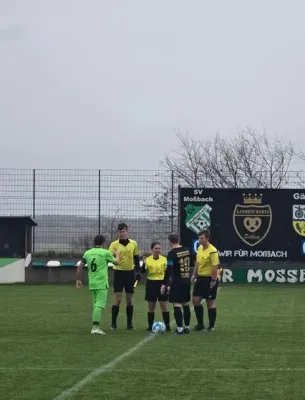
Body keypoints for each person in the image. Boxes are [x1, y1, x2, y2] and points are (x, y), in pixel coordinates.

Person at [76, 234, 119, 335]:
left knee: (96, 305)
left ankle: (95, 326)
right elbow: (116, 262)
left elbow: (80, 266)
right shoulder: (105, 253)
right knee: (99, 305)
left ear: (94, 242)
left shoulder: (87, 253)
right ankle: (95, 327)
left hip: (92, 282)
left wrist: (78, 279)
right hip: (101, 283)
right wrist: (117, 254)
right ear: (103, 243)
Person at [109, 223, 141, 330]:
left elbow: (136, 258)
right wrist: (115, 257)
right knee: (118, 300)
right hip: (118, 273)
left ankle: (129, 324)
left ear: (127, 231)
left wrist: (138, 272)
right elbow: (110, 258)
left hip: (130, 274)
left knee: (129, 300)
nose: (121, 233)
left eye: (123, 231)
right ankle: (114, 324)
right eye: (119, 232)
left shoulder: (133, 244)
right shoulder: (114, 245)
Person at [161, 233, 192, 335]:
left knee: (177, 304)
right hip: (187, 280)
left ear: (170, 242)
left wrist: (165, 284)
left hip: (177, 282)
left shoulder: (172, 253)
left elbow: (169, 270)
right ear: (178, 240)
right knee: (186, 304)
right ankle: (187, 327)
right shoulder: (187, 250)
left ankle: (179, 328)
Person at [191, 229, 221, 332]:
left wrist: (213, 280)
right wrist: (194, 274)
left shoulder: (213, 250)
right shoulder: (199, 248)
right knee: (195, 300)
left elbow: (215, 266)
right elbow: (197, 262)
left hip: (209, 278)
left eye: (202, 238)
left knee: (210, 302)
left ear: (207, 238)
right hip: (200, 278)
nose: (200, 240)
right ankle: (200, 324)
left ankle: (211, 326)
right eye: (199, 238)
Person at [141, 242, 170, 332]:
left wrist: (166, 284)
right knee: (151, 306)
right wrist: (144, 263)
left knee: (164, 305)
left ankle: (168, 326)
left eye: (159, 248)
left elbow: (168, 273)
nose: (158, 250)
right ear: (152, 249)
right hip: (151, 284)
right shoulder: (148, 260)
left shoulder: (164, 260)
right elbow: (142, 272)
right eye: (156, 248)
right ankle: (150, 326)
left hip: (162, 283)